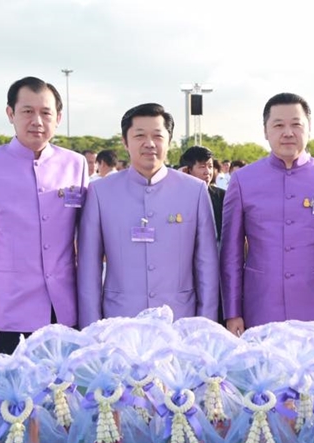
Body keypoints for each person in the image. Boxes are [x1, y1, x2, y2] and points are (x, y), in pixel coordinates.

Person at [0, 76, 88, 355]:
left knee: (63, 383)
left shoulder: (75, 164)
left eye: (46, 113)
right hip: (5, 311)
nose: (37, 121)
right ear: (10, 114)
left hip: (64, 310)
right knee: (6, 382)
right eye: (27, 111)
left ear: (58, 118)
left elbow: (86, 236)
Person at [220, 92, 314, 335]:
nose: (288, 132)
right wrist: (232, 312)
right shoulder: (242, 180)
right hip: (260, 305)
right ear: (265, 131)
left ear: (309, 128)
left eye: (296, 124)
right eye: (278, 125)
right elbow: (231, 251)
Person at [77, 104, 218, 327]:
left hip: (180, 321)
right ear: (125, 142)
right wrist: (90, 329)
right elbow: (89, 268)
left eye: (157, 136)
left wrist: (205, 327)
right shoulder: (100, 192)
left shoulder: (195, 191)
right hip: (119, 322)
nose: (149, 143)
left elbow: (207, 265)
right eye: (140, 135)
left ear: (169, 141)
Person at [179, 145, 225, 242]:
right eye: (202, 167)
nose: (207, 172)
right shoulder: (177, 197)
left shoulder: (222, 196)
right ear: (188, 170)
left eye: (210, 166)